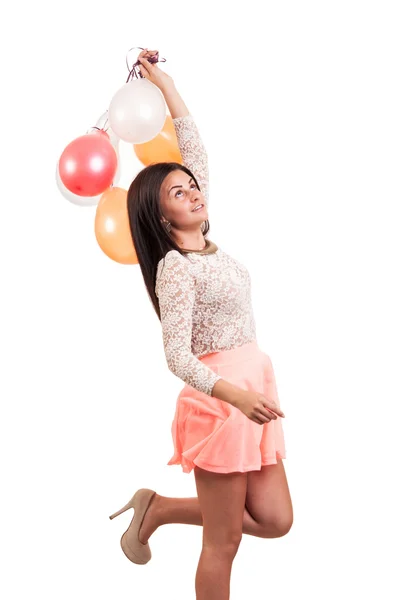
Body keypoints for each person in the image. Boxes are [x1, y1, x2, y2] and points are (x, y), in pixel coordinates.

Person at [109, 49, 293, 600]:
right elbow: (176, 356)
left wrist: (162, 81)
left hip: (254, 390)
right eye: (178, 192)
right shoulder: (174, 267)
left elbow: (193, 144)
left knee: (277, 520)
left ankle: (159, 508)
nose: (193, 191)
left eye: (193, 186)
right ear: (162, 215)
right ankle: (159, 510)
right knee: (225, 542)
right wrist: (234, 396)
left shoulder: (209, 246)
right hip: (220, 402)